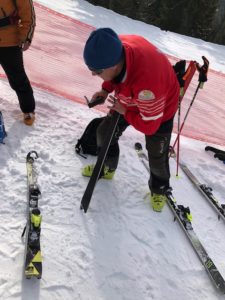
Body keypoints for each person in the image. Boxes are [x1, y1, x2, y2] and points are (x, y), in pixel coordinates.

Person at [82, 28, 180, 212]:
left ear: (112, 66)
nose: (93, 75)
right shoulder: (117, 47)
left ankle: (159, 188)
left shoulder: (148, 85)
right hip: (130, 97)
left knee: (157, 152)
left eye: (96, 71)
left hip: (158, 109)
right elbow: (117, 76)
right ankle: (108, 167)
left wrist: (125, 111)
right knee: (104, 132)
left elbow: (150, 127)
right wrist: (105, 90)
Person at [0, 0, 36, 125]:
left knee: (17, 78)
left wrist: (26, 36)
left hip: (9, 42)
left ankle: (28, 109)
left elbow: (28, 14)